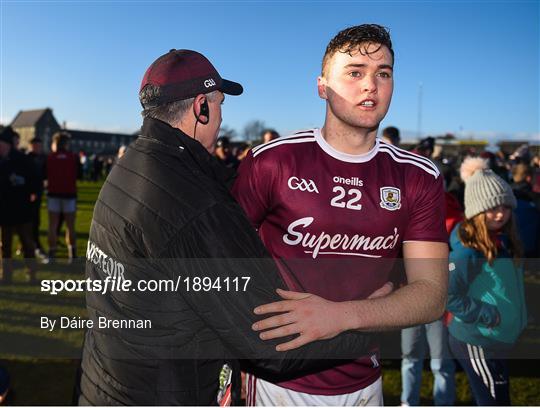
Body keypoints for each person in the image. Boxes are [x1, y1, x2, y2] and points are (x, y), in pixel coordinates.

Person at [78, 48, 379, 406]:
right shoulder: (195, 205)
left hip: (110, 382)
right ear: (201, 107)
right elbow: (271, 342)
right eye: (220, 104)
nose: (221, 119)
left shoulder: (133, 166)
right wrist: (365, 324)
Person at [232, 24, 448, 406]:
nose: (371, 85)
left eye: (383, 73)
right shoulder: (272, 161)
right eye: (354, 73)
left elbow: (431, 295)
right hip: (274, 380)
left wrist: (340, 315)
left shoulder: (418, 177)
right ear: (322, 86)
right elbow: (219, 264)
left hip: (363, 381)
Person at [447, 156, 527, 406]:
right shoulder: (468, 250)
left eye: (505, 206)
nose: (501, 213)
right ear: (477, 211)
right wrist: (487, 314)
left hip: (496, 337)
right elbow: (447, 294)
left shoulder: (502, 240)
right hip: (478, 339)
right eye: (493, 208)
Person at [0, 127, 38, 284]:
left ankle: (32, 274)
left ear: (9, 145)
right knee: (5, 246)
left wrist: (26, 187)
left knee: (27, 244)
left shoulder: (23, 160)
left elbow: (34, 180)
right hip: (4, 211)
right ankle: (6, 275)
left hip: (22, 210)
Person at [46, 131, 78, 262]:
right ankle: (72, 255)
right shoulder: (73, 157)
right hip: (69, 194)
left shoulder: (50, 157)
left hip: (53, 193)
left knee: (53, 225)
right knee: (70, 226)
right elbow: (78, 174)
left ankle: (52, 255)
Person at [26, 137, 47, 258]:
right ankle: (34, 245)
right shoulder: (27, 158)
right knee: (30, 220)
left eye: (39, 146)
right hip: (29, 194)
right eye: (35, 146)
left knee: (35, 219)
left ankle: (30, 243)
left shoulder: (43, 158)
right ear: (31, 146)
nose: (38, 148)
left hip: (38, 193)